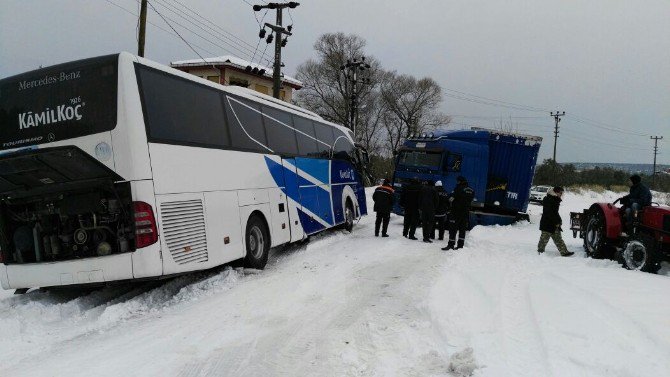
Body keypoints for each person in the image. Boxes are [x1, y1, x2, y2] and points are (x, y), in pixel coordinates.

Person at [537, 186, 574, 257]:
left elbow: (555, 212)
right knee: (544, 239)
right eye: (560, 193)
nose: (561, 194)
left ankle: (564, 252)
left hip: (553, 223)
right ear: (556, 192)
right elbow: (549, 213)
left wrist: (559, 220)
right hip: (547, 223)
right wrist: (557, 222)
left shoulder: (554, 199)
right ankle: (540, 252)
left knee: (558, 238)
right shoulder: (549, 199)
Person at [442, 176, 475, 250]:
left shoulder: (458, 188)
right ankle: (460, 246)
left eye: (457, 181)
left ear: (459, 181)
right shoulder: (471, 190)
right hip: (465, 213)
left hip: (456, 212)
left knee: (453, 229)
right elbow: (470, 200)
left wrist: (447, 199)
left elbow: (451, 199)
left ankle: (451, 245)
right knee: (462, 230)